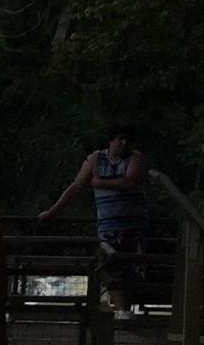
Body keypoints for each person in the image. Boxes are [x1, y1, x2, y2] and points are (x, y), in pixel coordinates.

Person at [50, 124, 152, 300]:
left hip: (134, 227)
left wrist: (100, 183)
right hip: (108, 226)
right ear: (111, 140)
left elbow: (129, 182)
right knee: (109, 266)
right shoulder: (96, 159)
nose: (124, 143)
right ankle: (120, 309)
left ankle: (127, 309)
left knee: (133, 269)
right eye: (120, 138)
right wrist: (53, 211)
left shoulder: (136, 158)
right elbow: (76, 186)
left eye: (128, 140)